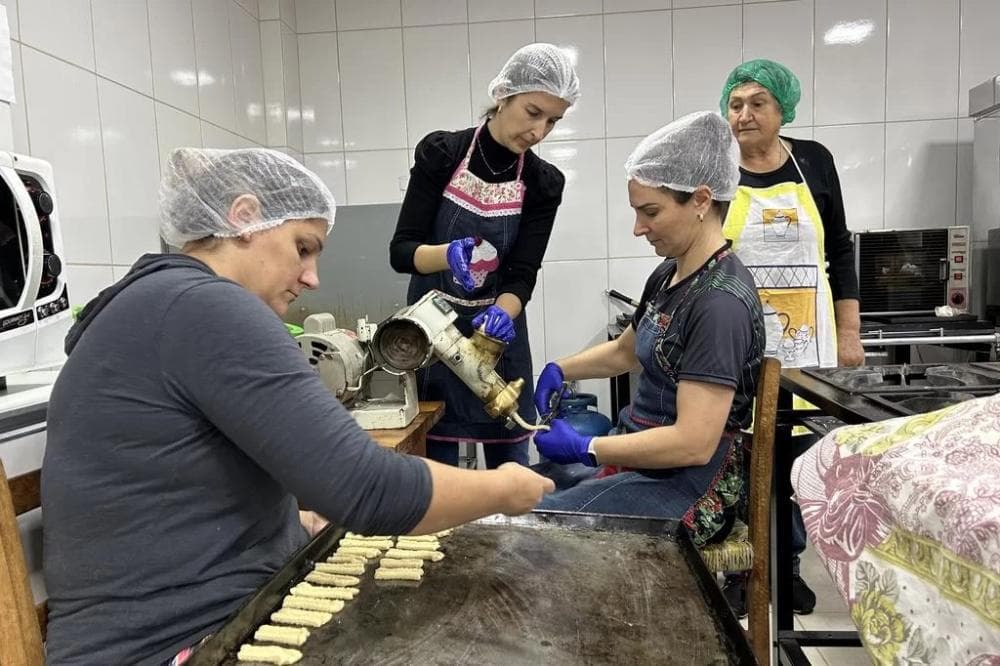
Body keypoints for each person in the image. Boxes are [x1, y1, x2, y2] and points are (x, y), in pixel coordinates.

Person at [41, 148, 555, 666]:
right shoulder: (206, 306)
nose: (312, 277)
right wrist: (507, 488)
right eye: (303, 247)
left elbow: (178, 492)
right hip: (170, 645)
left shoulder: (160, 300)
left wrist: (289, 523)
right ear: (243, 218)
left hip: (210, 613)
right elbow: (369, 489)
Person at [530, 111, 765, 549]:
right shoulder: (668, 275)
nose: (638, 228)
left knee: (541, 527)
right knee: (517, 489)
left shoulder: (720, 303)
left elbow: (693, 443)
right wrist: (558, 368)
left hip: (690, 486)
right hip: (641, 460)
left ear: (700, 200)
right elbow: (625, 351)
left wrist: (590, 448)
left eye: (650, 211)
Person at [718, 58, 864, 617]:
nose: (744, 115)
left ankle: (789, 564)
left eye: (757, 103)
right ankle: (739, 567)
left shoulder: (814, 162)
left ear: (783, 110)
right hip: (739, 344)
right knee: (739, 457)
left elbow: (839, 248)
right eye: (735, 104)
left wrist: (849, 332)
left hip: (808, 343)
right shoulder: (719, 166)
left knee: (800, 457)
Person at [390, 43, 579, 469]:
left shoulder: (543, 182)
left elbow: (522, 273)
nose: (539, 132)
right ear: (503, 94)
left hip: (496, 337)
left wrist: (503, 314)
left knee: (510, 469)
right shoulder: (443, 155)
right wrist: (446, 255)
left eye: (553, 121)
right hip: (432, 337)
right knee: (433, 471)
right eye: (533, 112)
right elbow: (401, 251)